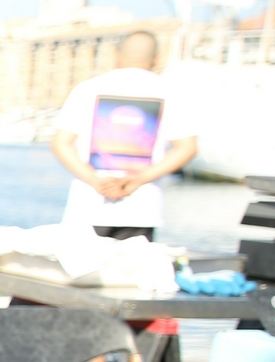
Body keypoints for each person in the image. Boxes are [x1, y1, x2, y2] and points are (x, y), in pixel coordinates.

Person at [51, 30, 196, 242]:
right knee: (130, 272)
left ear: (115, 55)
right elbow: (187, 148)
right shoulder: (171, 92)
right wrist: (139, 179)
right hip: (141, 208)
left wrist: (94, 180)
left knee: (81, 271)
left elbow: (60, 144)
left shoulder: (88, 89)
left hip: (89, 204)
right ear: (157, 59)